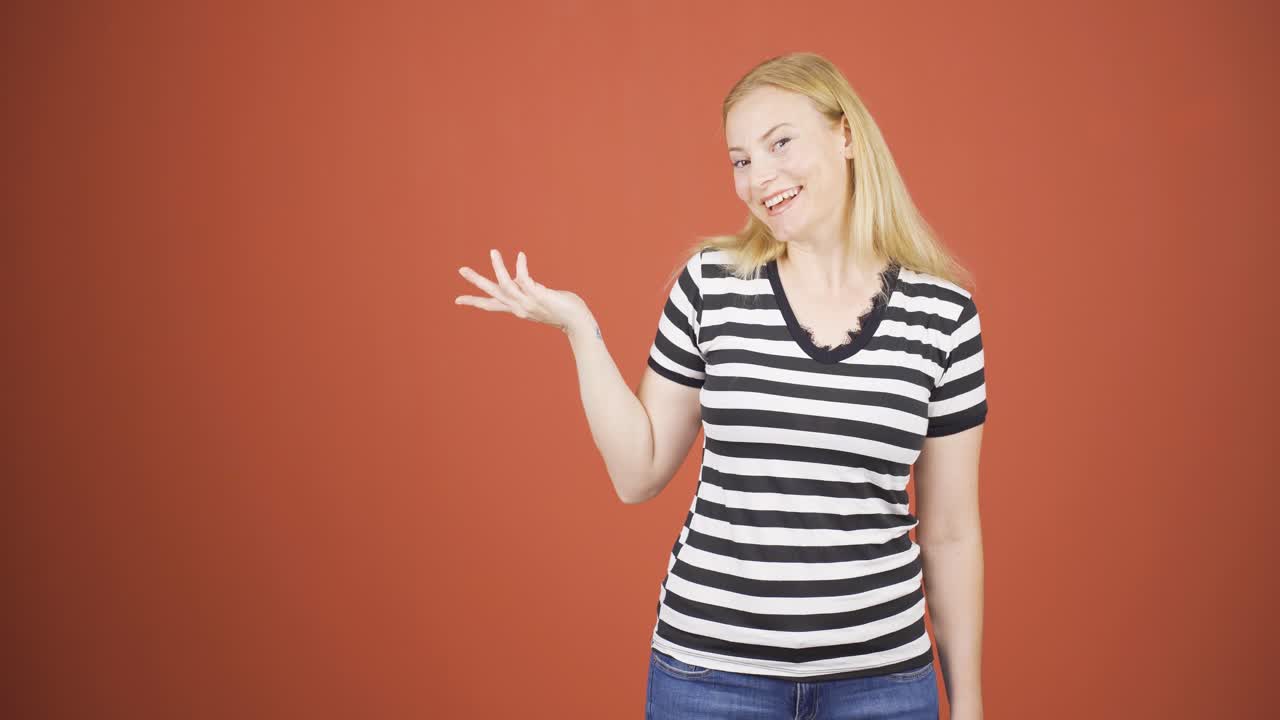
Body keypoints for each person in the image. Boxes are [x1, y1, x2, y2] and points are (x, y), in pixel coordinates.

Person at [454, 51, 986, 720]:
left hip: (881, 686)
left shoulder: (943, 317)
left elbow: (951, 531)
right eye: (741, 160)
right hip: (711, 680)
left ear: (846, 134)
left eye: (780, 143)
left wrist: (967, 704)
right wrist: (579, 329)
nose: (761, 177)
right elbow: (637, 473)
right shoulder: (712, 288)